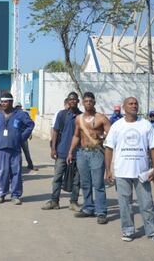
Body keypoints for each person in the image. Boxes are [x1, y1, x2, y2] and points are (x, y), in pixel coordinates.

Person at [105, 97, 154, 244]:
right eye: (130, 104)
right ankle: (128, 230)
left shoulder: (145, 125)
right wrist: (108, 170)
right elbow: (108, 148)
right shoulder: (117, 126)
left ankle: (153, 232)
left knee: (147, 204)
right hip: (122, 172)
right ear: (124, 107)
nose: (134, 106)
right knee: (125, 204)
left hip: (142, 173)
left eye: (136, 104)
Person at [67, 92, 110, 224]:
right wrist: (70, 152)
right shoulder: (78, 119)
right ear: (83, 103)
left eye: (90, 101)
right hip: (82, 153)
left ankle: (101, 212)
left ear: (94, 102)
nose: (88, 103)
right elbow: (76, 136)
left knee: (98, 184)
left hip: (97, 152)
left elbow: (111, 134)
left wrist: (103, 137)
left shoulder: (101, 118)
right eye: (86, 101)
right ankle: (88, 208)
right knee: (85, 183)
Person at [0, 92, 35, 205]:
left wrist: (22, 137)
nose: (4, 104)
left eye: (6, 101)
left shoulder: (20, 114)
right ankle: (0, 194)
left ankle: (15, 195)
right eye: (2, 102)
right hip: (1, 149)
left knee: (16, 172)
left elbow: (30, 125)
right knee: (2, 172)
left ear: (11, 102)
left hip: (15, 149)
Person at [42, 91, 82, 211]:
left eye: (75, 99)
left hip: (77, 153)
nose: (73, 101)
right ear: (67, 102)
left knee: (77, 180)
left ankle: (73, 202)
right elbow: (55, 132)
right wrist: (53, 148)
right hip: (61, 152)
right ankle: (54, 201)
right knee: (57, 177)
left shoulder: (81, 116)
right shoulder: (62, 114)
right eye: (70, 99)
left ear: (78, 101)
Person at [15, 102, 35, 171]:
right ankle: (29, 164)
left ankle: (20, 166)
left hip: (18, 136)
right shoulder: (23, 113)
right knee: (25, 151)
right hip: (22, 136)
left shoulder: (14, 114)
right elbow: (29, 124)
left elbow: (29, 124)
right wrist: (29, 133)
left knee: (18, 152)